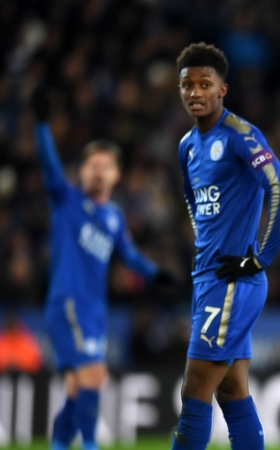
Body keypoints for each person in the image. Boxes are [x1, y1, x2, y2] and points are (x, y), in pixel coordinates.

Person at [171, 42, 280, 450]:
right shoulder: (187, 147)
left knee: (195, 387)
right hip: (207, 278)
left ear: (222, 89)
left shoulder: (242, 135)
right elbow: (194, 205)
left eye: (205, 83)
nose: (195, 92)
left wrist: (259, 258)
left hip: (231, 282)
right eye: (187, 84)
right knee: (231, 391)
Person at [32, 89, 174, 450]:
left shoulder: (113, 217)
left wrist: (157, 274)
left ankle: (60, 445)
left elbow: (128, 255)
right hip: (68, 303)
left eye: (104, 166)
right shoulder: (67, 200)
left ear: (116, 174)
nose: (97, 171)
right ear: (81, 171)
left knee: (79, 387)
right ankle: (91, 446)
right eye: (91, 165)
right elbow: (49, 165)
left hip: (94, 309)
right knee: (95, 375)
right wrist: (42, 125)